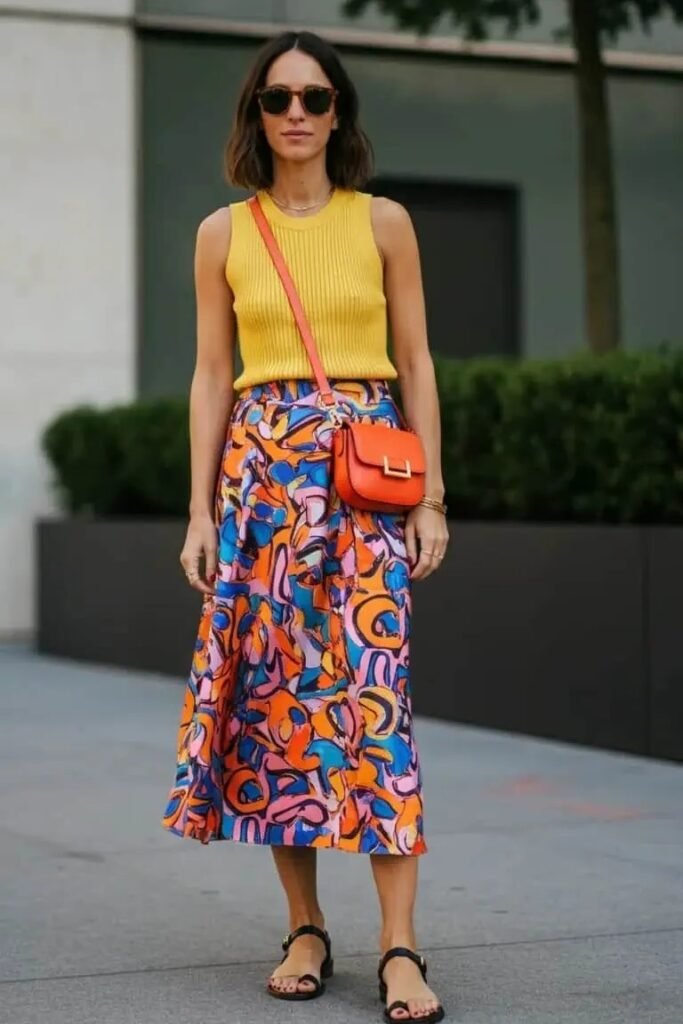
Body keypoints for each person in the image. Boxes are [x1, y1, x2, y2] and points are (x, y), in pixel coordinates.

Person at [161, 29, 449, 1024]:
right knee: (280, 712)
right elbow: (208, 375)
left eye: (314, 98)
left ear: (338, 115)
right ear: (256, 113)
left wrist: (432, 494)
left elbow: (413, 363)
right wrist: (198, 509)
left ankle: (401, 948)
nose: (295, 112)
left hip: (364, 489)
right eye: (277, 97)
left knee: (374, 706)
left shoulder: (385, 224)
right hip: (260, 492)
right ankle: (306, 926)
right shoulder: (221, 234)